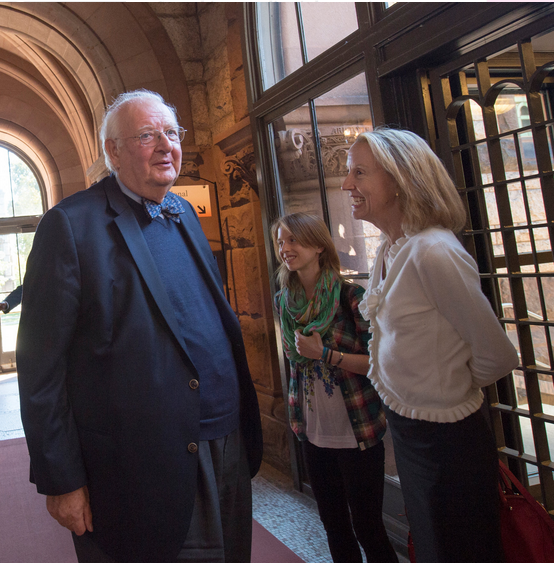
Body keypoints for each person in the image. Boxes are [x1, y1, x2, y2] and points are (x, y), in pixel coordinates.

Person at [17, 89, 263, 563]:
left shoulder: (185, 212)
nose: (166, 145)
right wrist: (62, 479)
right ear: (112, 150)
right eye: (148, 135)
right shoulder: (71, 226)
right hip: (140, 465)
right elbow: (40, 368)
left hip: (224, 445)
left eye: (172, 133)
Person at [341, 127, 519, 563]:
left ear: (400, 179)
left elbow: (497, 355)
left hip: (449, 445)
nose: (347, 184)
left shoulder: (433, 252)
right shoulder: (390, 250)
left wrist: (447, 386)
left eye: (360, 172)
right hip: (411, 435)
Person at [271, 212, 399, 563]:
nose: (285, 248)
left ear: (318, 245)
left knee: (368, 526)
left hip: (357, 429)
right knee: (333, 524)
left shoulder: (350, 297)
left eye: (293, 240)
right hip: (313, 431)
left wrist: (325, 354)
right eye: (281, 241)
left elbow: (379, 364)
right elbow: (293, 361)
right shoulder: (284, 302)